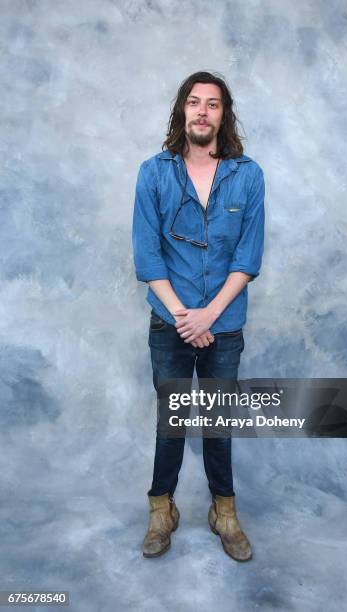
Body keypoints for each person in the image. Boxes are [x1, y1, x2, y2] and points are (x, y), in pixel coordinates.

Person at [132, 71, 265, 562]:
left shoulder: (248, 175)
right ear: (181, 111)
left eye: (212, 104)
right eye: (194, 102)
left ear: (223, 115)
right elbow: (148, 260)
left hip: (223, 324)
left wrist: (208, 315)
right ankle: (160, 510)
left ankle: (223, 512)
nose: (202, 111)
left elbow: (247, 259)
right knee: (172, 422)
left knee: (217, 423)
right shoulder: (153, 173)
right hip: (170, 323)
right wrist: (184, 315)